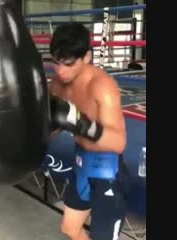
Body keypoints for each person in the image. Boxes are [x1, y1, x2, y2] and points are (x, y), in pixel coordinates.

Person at [48, 22, 130, 240]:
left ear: (87, 57)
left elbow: (118, 142)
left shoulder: (102, 86)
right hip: (81, 163)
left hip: (107, 171)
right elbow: (52, 132)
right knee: (70, 228)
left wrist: (80, 123)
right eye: (56, 63)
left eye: (68, 64)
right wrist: (47, 123)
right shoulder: (57, 85)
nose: (61, 71)